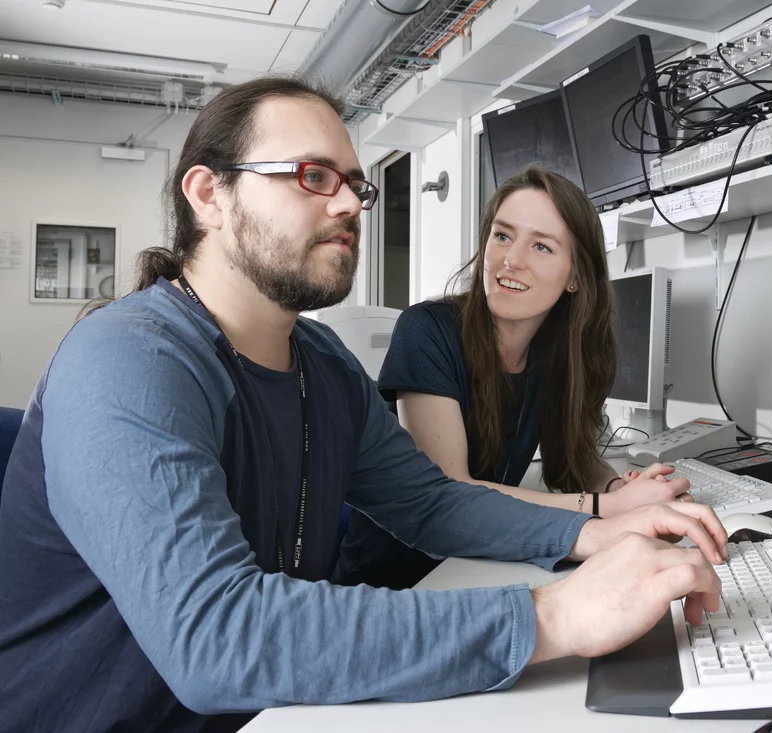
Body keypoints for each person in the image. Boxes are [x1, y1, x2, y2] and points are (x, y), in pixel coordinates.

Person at [0, 75, 727, 733]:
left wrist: (592, 535)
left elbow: (432, 503)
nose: (350, 201)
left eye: (353, 183)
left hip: (278, 710)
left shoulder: (324, 367)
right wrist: (554, 616)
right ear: (209, 195)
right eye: (312, 176)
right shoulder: (128, 358)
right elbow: (216, 637)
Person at [334, 167, 690, 589]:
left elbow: (574, 451)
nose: (511, 259)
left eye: (541, 246)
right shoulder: (426, 329)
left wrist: (621, 485)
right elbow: (449, 491)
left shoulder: (557, 353)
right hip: (398, 581)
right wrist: (608, 507)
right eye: (502, 236)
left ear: (575, 277)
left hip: (484, 560)